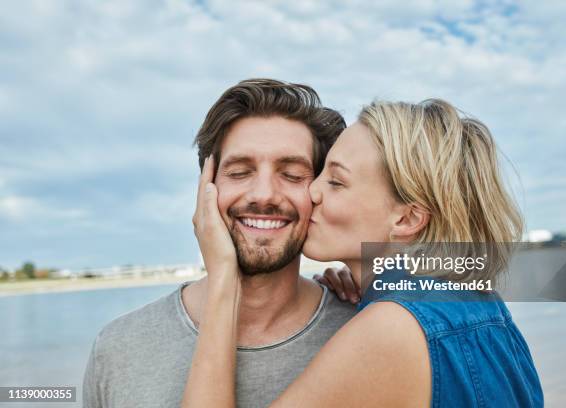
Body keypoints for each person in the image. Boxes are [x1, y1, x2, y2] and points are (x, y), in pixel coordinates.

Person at [183, 99, 544, 407]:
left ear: (407, 218)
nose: (312, 192)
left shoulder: (391, 330)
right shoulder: (481, 302)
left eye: (336, 181)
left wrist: (223, 281)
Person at [82, 79, 356, 408]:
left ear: (319, 193)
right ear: (206, 187)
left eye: (293, 175)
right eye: (240, 172)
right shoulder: (118, 349)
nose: (264, 195)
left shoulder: (363, 328)